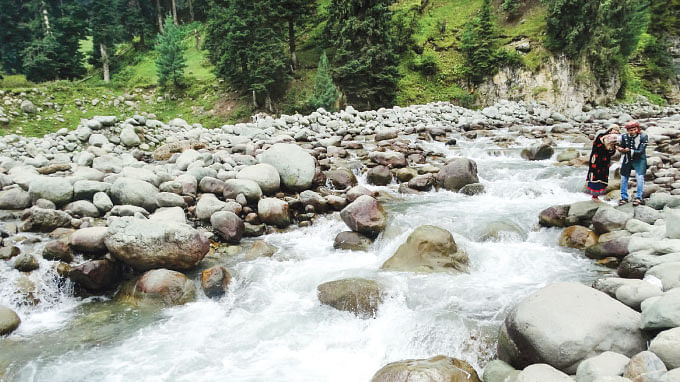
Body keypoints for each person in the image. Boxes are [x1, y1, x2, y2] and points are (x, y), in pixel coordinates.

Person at [586, 124, 620, 202]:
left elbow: (611, 153)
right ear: (610, 130)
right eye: (614, 129)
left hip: (605, 162)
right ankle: (594, 196)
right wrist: (604, 142)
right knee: (595, 176)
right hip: (597, 159)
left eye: (617, 131)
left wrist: (611, 147)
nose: (616, 131)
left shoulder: (614, 141)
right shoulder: (601, 136)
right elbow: (596, 146)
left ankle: (597, 196)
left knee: (602, 177)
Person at [617, 120, 648, 206]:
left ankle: (639, 197)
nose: (633, 131)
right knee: (623, 177)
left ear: (638, 129)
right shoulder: (624, 137)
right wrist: (620, 149)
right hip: (628, 159)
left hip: (639, 159)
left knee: (640, 177)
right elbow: (622, 147)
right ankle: (624, 197)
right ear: (628, 131)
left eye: (635, 129)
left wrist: (629, 150)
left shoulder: (643, 136)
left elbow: (641, 151)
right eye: (631, 130)